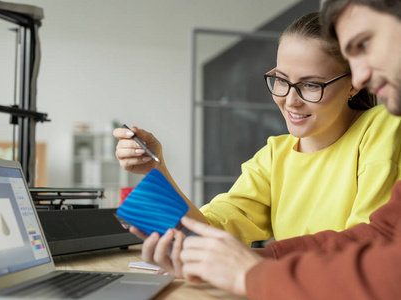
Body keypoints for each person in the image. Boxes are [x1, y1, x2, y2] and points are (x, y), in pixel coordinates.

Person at [142, 1, 401, 299]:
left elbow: (370, 247)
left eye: (311, 85)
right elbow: (208, 229)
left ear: (353, 84)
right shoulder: (275, 155)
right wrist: (156, 169)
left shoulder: (384, 127)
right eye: (281, 80)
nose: (290, 101)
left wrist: (252, 270)